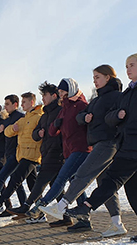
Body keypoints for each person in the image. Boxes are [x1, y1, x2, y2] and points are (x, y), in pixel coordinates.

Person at [65, 53, 137, 242]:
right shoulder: (128, 92)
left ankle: (86, 207)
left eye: (132, 65)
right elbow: (110, 118)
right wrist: (118, 116)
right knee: (136, 189)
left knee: (113, 177)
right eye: (126, 66)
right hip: (127, 144)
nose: (128, 69)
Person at [39, 65, 127, 237]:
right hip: (94, 143)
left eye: (97, 77)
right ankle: (117, 224)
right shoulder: (96, 99)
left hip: (107, 143)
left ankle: (60, 206)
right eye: (93, 77)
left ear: (108, 78)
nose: (94, 80)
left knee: (82, 174)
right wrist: (85, 118)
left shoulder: (117, 97)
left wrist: (115, 117)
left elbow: (121, 115)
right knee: (105, 185)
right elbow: (82, 116)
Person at [25, 78, 91, 231]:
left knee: (62, 178)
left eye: (63, 92)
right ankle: (84, 220)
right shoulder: (64, 109)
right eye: (60, 92)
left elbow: (85, 125)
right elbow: (52, 132)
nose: (61, 95)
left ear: (71, 90)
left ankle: (41, 205)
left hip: (80, 148)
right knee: (77, 183)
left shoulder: (81, 105)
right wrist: (55, 126)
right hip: (69, 150)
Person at [6, 81, 67, 224]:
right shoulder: (45, 115)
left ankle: (27, 206)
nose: (43, 98)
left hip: (56, 152)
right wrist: (38, 134)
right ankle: (67, 217)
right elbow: (35, 134)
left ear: (53, 96)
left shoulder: (59, 111)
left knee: (41, 181)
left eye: (44, 95)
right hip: (46, 152)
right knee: (56, 186)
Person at [0, 92, 43, 213]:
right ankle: (36, 211)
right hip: (20, 154)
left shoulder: (35, 117)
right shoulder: (24, 118)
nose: (22, 104)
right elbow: (8, 132)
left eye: (24, 102)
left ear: (31, 102)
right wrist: (7, 129)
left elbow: (37, 134)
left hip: (29, 154)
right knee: (30, 185)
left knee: (12, 179)